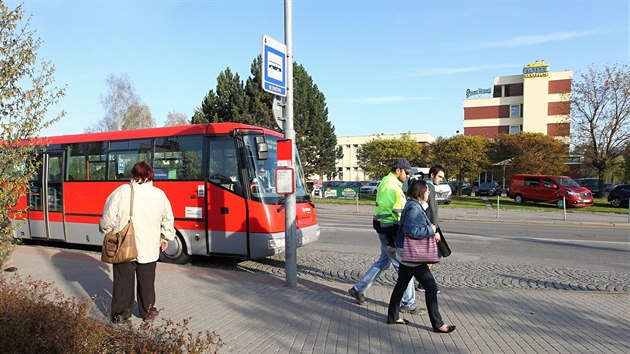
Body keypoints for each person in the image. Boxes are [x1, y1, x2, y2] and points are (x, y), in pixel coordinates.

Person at [100, 161, 175, 324]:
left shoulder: (121, 191)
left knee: (123, 282)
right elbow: (168, 218)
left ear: (133, 174)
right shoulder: (159, 194)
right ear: (150, 174)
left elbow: (108, 217)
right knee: (147, 281)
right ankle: (147, 311)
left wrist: (107, 231)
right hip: (149, 246)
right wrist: (165, 237)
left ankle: (120, 314)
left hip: (124, 245)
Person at [347, 158, 420, 314]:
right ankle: (407, 303)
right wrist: (392, 240)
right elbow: (384, 215)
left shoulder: (393, 184)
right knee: (403, 266)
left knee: (384, 262)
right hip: (390, 232)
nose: (407, 175)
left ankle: (358, 289)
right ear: (398, 170)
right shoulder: (389, 186)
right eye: (406, 172)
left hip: (390, 231)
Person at [387, 179, 456, 333]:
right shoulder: (414, 208)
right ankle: (438, 324)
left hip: (408, 254)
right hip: (414, 256)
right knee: (431, 288)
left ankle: (392, 316)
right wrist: (431, 230)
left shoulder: (414, 205)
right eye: (426, 190)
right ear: (419, 192)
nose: (429, 192)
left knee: (401, 285)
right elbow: (410, 231)